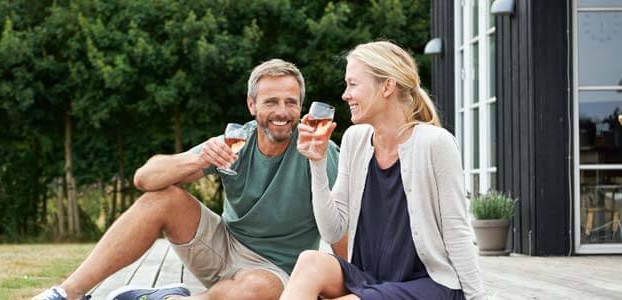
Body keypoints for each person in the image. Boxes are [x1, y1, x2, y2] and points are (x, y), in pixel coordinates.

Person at [33, 58, 342, 300]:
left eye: (290, 102)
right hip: (223, 247)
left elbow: (343, 221)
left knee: (256, 291)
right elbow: (145, 177)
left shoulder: (317, 150)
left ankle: (171, 298)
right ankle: (66, 293)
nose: (282, 111)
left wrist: (350, 286)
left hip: (275, 272)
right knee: (163, 198)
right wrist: (200, 159)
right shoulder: (236, 141)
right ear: (252, 106)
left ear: (301, 106)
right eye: (271, 101)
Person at [280, 41, 486, 300]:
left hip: (427, 285)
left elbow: (457, 231)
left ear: (387, 86)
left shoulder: (435, 143)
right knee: (310, 261)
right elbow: (332, 231)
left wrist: (477, 297)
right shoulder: (355, 139)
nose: (345, 94)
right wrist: (317, 164)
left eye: (353, 84)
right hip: (369, 278)